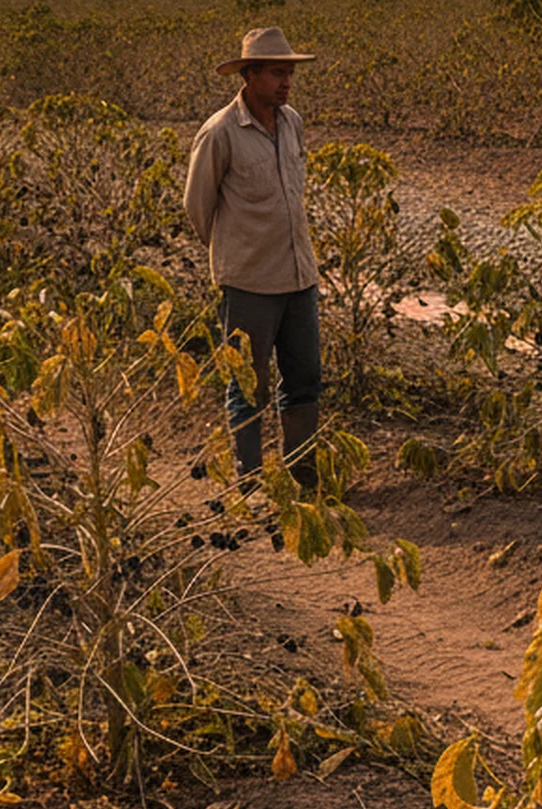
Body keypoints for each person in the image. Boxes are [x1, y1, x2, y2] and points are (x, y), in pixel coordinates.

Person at [184, 26, 322, 491]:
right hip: (248, 285)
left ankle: (303, 476)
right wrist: (235, 256)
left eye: (289, 73)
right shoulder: (221, 132)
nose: (287, 82)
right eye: (277, 74)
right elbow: (197, 207)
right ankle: (250, 480)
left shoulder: (292, 122)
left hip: (299, 276)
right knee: (248, 386)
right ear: (250, 75)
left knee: (304, 379)